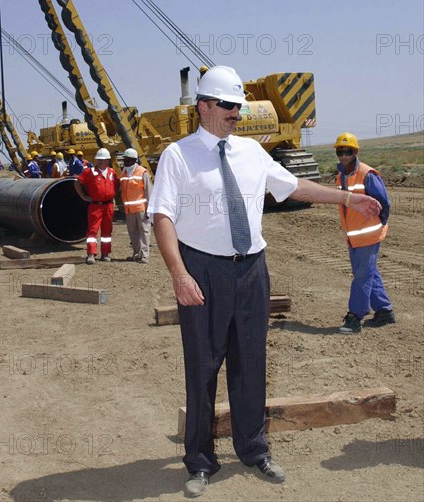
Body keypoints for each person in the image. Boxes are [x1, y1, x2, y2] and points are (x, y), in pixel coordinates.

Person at [147, 65, 382, 498]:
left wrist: (350, 197)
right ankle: (200, 461)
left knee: (250, 362)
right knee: (203, 368)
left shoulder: (252, 153)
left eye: (237, 105)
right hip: (203, 270)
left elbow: (296, 188)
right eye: (227, 105)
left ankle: (254, 450)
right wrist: (179, 275)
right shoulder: (178, 156)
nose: (235, 112)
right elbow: (161, 216)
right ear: (203, 106)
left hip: (252, 269)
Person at [334, 132, 395, 334]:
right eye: (340, 151)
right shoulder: (340, 176)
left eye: (347, 151)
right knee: (368, 273)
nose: (343, 155)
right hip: (354, 235)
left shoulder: (367, 174)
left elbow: (384, 203)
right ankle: (384, 310)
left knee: (361, 275)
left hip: (368, 234)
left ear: (356, 152)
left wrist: (379, 224)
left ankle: (355, 317)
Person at [74, 147, 119, 264]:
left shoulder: (112, 173)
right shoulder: (89, 172)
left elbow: (117, 185)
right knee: (93, 230)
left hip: (108, 206)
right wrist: (84, 197)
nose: (100, 161)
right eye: (98, 159)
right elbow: (77, 183)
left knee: (107, 231)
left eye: (102, 159)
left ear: (107, 161)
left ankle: (105, 254)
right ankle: (91, 254)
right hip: (95, 206)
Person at [120, 148, 152, 264]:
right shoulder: (123, 173)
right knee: (133, 232)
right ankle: (136, 253)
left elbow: (149, 191)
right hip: (129, 209)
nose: (126, 162)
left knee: (144, 231)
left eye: (128, 160)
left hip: (141, 208)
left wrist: (150, 209)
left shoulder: (142, 172)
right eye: (125, 160)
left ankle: (144, 255)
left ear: (134, 160)